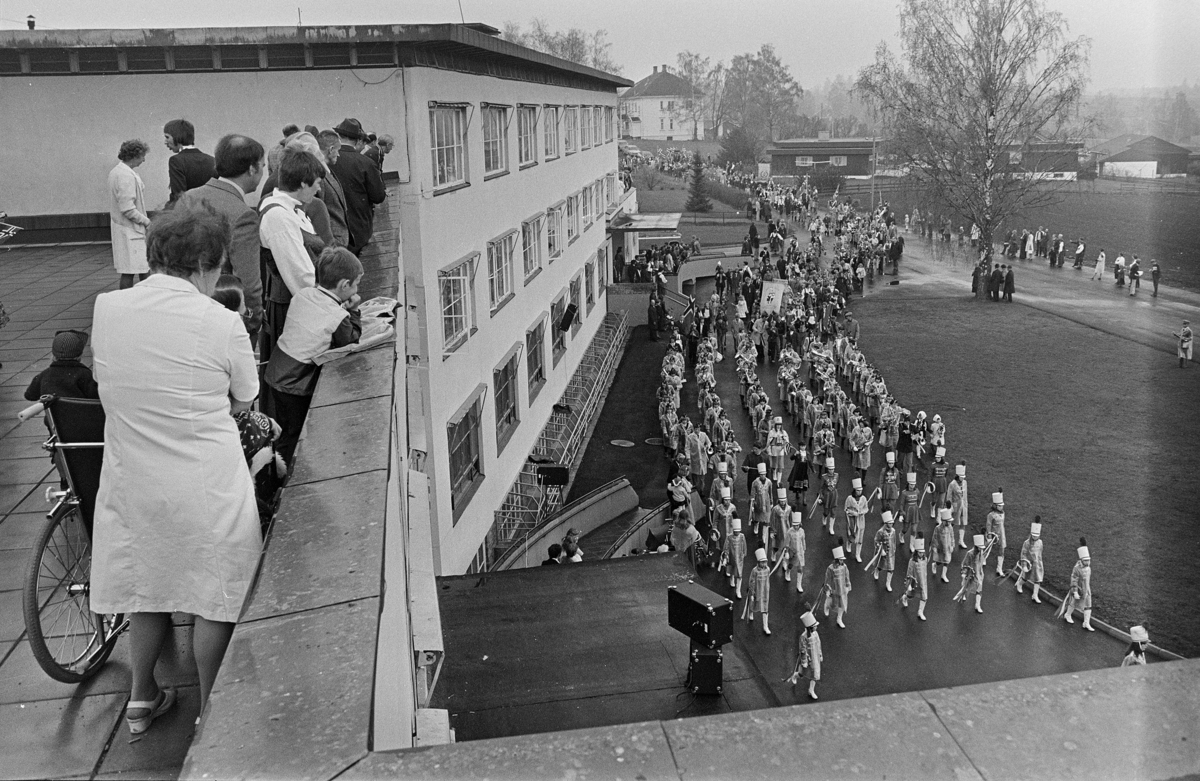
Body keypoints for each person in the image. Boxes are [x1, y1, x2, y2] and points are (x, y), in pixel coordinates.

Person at [90, 205, 261, 733]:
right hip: (205, 479)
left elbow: (107, 379)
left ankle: (141, 698)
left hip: (133, 476)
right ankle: (211, 712)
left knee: (149, 582)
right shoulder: (221, 322)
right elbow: (245, 395)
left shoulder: (108, 307)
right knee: (216, 594)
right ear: (207, 264)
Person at [263, 248, 363, 464]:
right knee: (294, 433)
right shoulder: (337, 315)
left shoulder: (303, 294)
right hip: (295, 382)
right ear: (345, 285)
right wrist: (354, 311)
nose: (357, 290)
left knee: (284, 429)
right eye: (356, 284)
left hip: (277, 370)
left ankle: (273, 468)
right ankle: (282, 473)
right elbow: (351, 339)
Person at [179, 134, 267, 343]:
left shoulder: (188, 197)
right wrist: (253, 323)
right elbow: (249, 284)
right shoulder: (243, 215)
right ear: (252, 169)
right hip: (225, 320)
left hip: (186, 311)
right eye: (262, 166)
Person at [258, 149, 327, 365]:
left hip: (303, 303)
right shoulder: (278, 216)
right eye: (317, 183)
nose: (319, 188)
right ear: (303, 183)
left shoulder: (292, 209)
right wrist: (332, 305)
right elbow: (300, 275)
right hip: (291, 309)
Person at [328, 118, 386, 256]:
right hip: (360, 229)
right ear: (358, 140)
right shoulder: (366, 163)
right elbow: (378, 197)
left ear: (339, 136)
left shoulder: (327, 160)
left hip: (333, 229)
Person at [107, 139, 152, 290]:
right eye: (142, 156)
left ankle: (137, 298)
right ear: (135, 155)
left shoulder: (118, 172)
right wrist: (147, 222)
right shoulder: (125, 175)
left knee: (133, 269)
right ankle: (147, 297)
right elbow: (127, 208)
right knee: (136, 270)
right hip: (130, 229)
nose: (144, 160)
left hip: (125, 228)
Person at [24, 330, 100, 401]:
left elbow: (29, 396)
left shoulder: (45, 374)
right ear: (80, 355)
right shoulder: (86, 374)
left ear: (53, 355)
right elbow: (96, 397)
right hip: (81, 411)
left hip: (54, 411)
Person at [163, 119, 216, 204]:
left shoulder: (176, 161)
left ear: (177, 136)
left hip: (188, 210)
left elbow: (178, 196)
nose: (165, 142)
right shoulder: (212, 160)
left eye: (167, 137)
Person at [317, 130, 350, 248]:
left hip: (338, 241)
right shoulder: (319, 175)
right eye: (338, 150)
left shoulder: (327, 170)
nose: (339, 154)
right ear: (331, 149)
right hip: (333, 244)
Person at [1057, 537, 1094, 630]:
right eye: (1085, 560)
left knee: (1088, 605)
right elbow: (1074, 579)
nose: (1087, 562)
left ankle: (1086, 623)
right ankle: (1067, 614)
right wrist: (1075, 591)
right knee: (1074, 602)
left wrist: (1087, 590)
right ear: (1081, 560)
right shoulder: (1077, 568)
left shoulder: (1088, 568)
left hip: (1087, 589)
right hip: (1079, 589)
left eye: (1088, 560)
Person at [953, 532, 994, 614]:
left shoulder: (981, 552)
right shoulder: (970, 553)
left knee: (979, 589)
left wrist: (992, 541)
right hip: (970, 574)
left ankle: (977, 605)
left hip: (979, 574)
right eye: (979, 548)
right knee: (966, 586)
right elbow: (965, 564)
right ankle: (963, 595)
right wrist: (964, 573)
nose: (981, 549)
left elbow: (986, 552)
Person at [788, 610, 822, 699]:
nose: (816, 627)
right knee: (802, 673)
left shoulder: (815, 634)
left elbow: (818, 644)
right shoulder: (803, 636)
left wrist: (820, 654)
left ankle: (811, 690)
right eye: (815, 626)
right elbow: (802, 650)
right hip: (808, 658)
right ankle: (795, 675)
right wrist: (804, 662)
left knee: (815, 675)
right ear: (810, 627)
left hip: (815, 657)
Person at [742, 548, 772, 634]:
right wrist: (752, 592)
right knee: (753, 603)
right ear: (758, 562)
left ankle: (765, 626)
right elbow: (752, 581)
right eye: (762, 562)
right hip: (756, 591)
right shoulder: (754, 571)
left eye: (765, 562)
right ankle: (751, 612)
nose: (764, 564)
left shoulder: (768, 569)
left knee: (765, 608)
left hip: (765, 592)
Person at [822, 538, 851, 628]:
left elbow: (847, 576)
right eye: (841, 559)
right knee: (832, 603)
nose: (842, 561)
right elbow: (827, 579)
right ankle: (826, 606)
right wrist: (828, 589)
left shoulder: (844, 567)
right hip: (834, 589)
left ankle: (839, 619)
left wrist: (847, 586)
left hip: (842, 589)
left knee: (842, 604)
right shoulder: (830, 568)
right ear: (837, 560)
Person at [1014, 518, 1044, 603]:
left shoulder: (1040, 542)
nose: (1035, 537)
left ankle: (1035, 595)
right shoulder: (1027, 543)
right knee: (1025, 577)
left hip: (1037, 564)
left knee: (1038, 579)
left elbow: (1040, 553)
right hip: (1029, 564)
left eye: (1036, 535)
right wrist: (1024, 565)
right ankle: (1019, 584)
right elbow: (1023, 554)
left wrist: (1040, 563)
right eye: (1033, 535)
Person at [901, 532, 929, 620]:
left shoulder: (925, 559)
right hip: (915, 582)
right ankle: (905, 597)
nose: (922, 554)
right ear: (916, 552)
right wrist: (909, 583)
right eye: (920, 552)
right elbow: (909, 573)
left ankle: (920, 612)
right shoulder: (912, 561)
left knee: (924, 597)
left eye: (923, 552)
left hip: (923, 581)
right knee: (911, 595)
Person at [870, 510, 897, 592]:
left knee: (891, 569)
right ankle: (877, 571)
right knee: (881, 565)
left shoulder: (893, 531)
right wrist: (880, 550)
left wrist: (894, 548)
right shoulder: (880, 532)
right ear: (886, 523)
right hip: (883, 553)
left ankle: (888, 583)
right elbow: (876, 541)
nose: (891, 524)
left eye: (892, 523)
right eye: (890, 523)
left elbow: (894, 541)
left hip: (891, 553)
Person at [721, 517, 747, 598]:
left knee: (739, 574)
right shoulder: (729, 537)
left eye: (738, 531)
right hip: (731, 557)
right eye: (735, 531)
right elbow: (726, 547)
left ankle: (738, 590)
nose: (737, 533)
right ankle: (732, 580)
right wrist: (725, 557)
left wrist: (743, 554)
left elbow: (744, 546)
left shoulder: (742, 536)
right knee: (732, 569)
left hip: (739, 559)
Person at [931, 507, 955, 583]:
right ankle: (935, 564)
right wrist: (934, 546)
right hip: (940, 547)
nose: (949, 523)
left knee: (946, 561)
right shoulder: (937, 528)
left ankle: (943, 575)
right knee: (940, 561)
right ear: (943, 521)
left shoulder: (950, 527)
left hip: (948, 547)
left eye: (949, 522)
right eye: (947, 522)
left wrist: (952, 545)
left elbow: (952, 536)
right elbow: (935, 537)